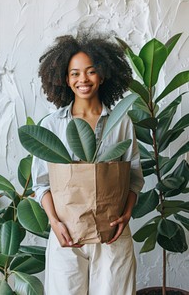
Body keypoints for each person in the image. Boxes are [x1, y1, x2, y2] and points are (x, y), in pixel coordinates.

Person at [31, 33, 144, 295]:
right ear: (64, 79)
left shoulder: (121, 123)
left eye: (91, 72)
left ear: (103, 75)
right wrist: (55, 223)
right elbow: (42, 184)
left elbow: (134, 177)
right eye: (75, 73)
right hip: (67, 236)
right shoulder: (51, 126)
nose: (83, 79)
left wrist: (126, 215)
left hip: (113, 235)